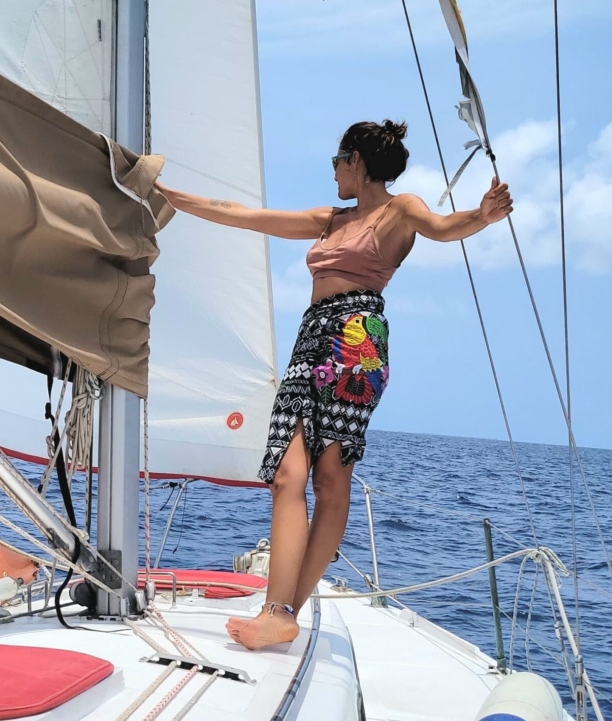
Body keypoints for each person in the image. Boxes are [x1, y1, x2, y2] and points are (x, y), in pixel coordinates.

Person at [155, 120, 512, 650]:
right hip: (310, 340)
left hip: (355, 339)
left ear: (357, 162)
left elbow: (443, 227)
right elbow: (245, 216)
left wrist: (482, 217)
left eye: (336, 163)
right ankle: (279, 612)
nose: (334, 173)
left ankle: (281, 612)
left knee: (329, 478)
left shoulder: (401, 208)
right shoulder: (331, 220)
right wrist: (162, 193)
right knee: (287, 473)